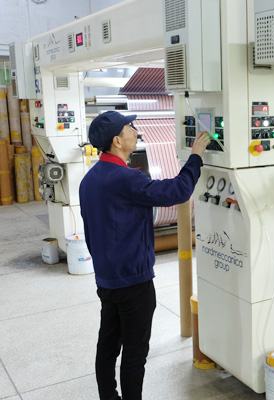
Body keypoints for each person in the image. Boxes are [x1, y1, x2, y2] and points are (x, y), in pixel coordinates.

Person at [79, 111, 210, 400]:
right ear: (117, 141)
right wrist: (196, 157)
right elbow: (177, 191)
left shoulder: (89, 180)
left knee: (108, 345)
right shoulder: (126, 179)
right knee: (135, 353)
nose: (136, 131)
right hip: (134, 283)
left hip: (107, 280)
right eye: (130, 128)